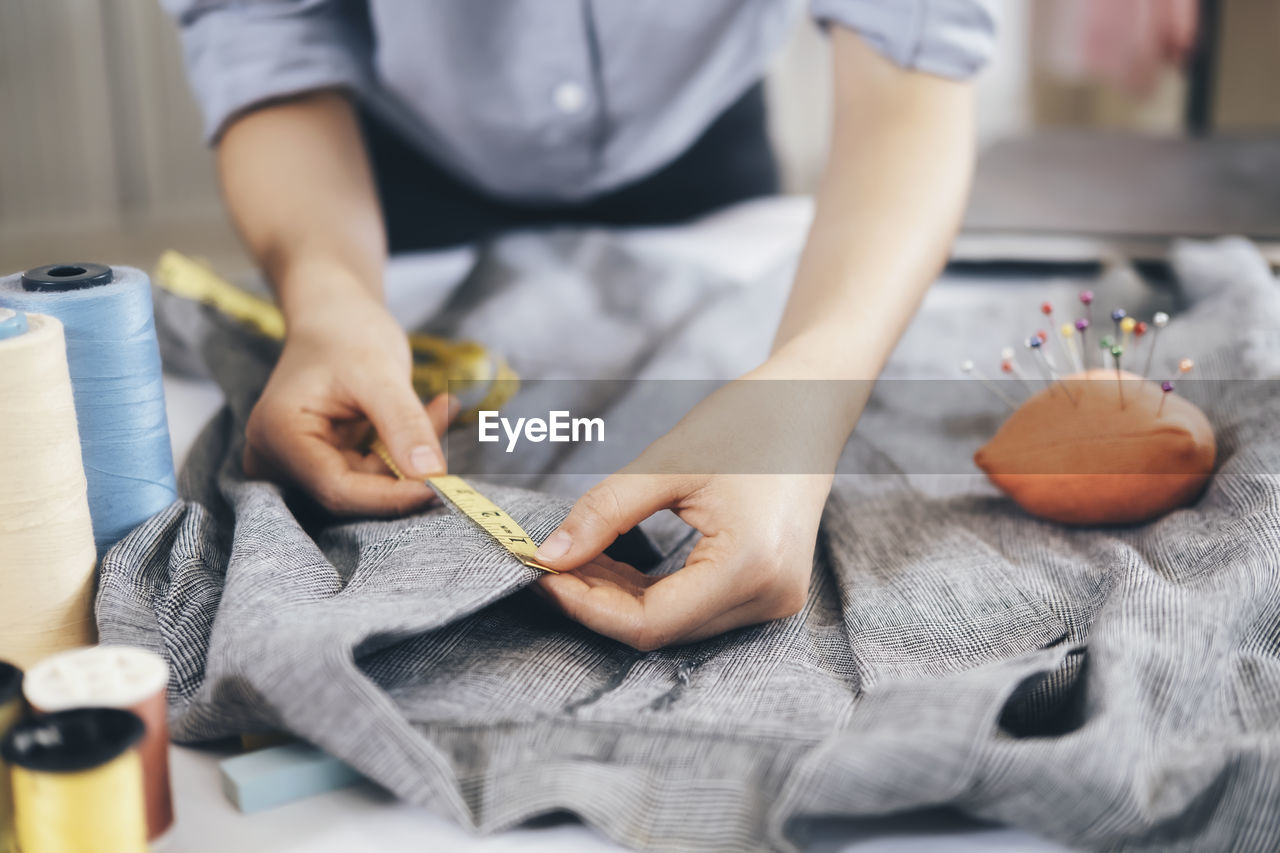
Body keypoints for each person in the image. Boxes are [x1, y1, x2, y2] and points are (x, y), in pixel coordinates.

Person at [165, 0, 995, 650]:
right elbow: (263, 26)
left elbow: (912, 60)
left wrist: (814, 391)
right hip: (368, 171)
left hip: (701, 146)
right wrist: (329, 298)